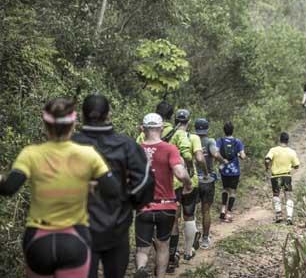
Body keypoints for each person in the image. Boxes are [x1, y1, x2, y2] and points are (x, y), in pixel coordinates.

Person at [0, 97, 120, 278]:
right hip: (75, 239)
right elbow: (114, 191)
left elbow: (8, 189)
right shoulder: (88, 155)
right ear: (73, 124)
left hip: (38, 240)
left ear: (45, 124)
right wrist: (91, 185)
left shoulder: (30, 154)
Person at [72, 94, 151, 278]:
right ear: (109, 115)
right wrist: (129, 202)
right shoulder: (127, 145)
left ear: (81, 116)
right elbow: (145, 182)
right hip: (117, 227)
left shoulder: (67, 144)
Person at [134, 113, 192, 278]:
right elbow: (180, 173)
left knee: (142, 248)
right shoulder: (169, 148)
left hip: (143, 206)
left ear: (143, 129)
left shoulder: (136, 149)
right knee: (163, 246)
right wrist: (188, 184)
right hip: (166, 206)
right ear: (160, 128)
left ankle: (141, 269)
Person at [168, 109, 204, 270]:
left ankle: (172, 254)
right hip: (191, 181)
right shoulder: (193, 137)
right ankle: (188, 252)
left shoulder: (167, 137)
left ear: (175, 120)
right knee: (189, 215)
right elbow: (197, 157)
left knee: (174, 218)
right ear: (189, 122)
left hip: (172, 182)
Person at [194, 118, 229, 249]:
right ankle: (204, 239)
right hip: (207, 180)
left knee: (191, 212)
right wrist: (223, 160)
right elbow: (215, 153)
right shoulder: (210, 141)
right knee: (206, 210)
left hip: (193, 180)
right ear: (207, 128)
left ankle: (192, 238)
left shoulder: (192, 140)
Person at [265, 132, 300, 225]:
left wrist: (267, 167)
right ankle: (289, 217)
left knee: (276, 195)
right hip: (286, 176)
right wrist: (290, 166)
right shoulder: (292, 152)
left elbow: (267, 159)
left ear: (279, 139)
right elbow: (297, 165)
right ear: (288, 140)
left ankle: (278, 215)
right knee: (288, 195)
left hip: (275, 176)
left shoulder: (273, 150)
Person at [217, 121, 246, 223]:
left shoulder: (220, 140)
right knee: (232, 192)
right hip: (235, 171)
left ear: (224, 130)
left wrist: (222, 161)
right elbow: (243, 156)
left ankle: (223, 209)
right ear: (233, 130)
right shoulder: (238, 142)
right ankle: (229, 213)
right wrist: (238, 154)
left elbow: (216, 153)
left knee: (225, 189)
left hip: (224, 170)